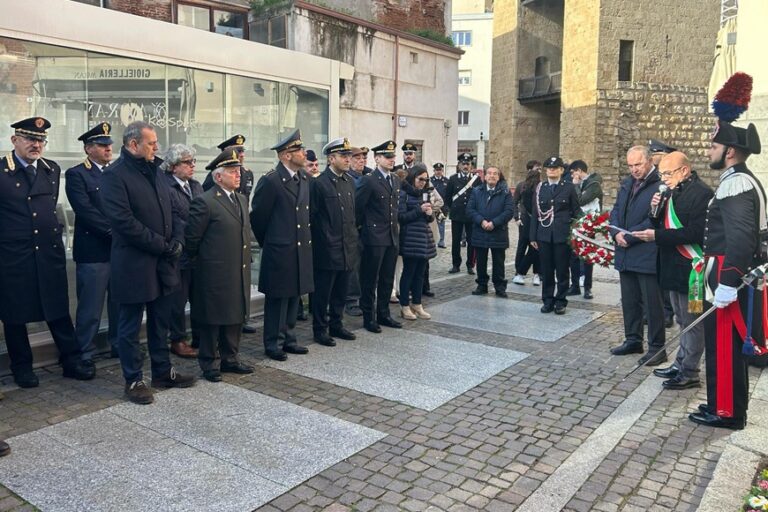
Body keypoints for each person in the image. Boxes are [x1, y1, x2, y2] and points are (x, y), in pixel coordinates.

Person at [101, 121, 196, 404]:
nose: (157, 147)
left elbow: (175, 209)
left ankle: (163, 371)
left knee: (160, 321)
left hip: (163, 262)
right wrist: (162, 245)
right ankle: (134, 380)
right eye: (152, 143)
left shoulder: (156, 170)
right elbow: (123, 222)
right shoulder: (114, 176)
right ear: (133, 145)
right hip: (134, 263)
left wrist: (177, 239)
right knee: (129, 326)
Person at [0, 117, 94, 389]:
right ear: (15, 140)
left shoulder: (51, 169)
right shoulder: (2, 171)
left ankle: (71, 360)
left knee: (57, 309)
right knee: (15, 314)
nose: (36, 144)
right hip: (14, 255)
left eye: (40, 140)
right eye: (30, 138)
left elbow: (49, 207)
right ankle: (22, 366)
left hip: (47, 253)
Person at [689, 93, 764, 430]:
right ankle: (721, 405)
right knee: (721, 345)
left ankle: (728, 412)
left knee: (725, 347)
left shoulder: (737, 183)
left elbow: (741, 239)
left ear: (729, 151)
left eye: (713, 147)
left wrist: (728, 283)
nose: (709, 152)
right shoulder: (738, 181)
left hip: (727, 273)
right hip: (722, 270)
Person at [632, 151, 713, 390]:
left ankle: (690, 371)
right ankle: (680, 363)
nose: (663, 178)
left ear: (684, 171)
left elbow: (696, 233)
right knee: (680, 318)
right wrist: (654, 210)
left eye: (667, 173)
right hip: (672, 267)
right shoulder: (670, 191)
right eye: (661, 174)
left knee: (692, 321)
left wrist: (656, 236)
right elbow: (660, 222)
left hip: (692, 269)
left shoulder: (702, 194)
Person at [185, 150, 253, 382]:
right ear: (218, 177)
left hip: (238, 269)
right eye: (233, 172)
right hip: (214, 272)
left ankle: (230, 359)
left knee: (234, 316)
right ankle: (209, 362)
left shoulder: (241, 199)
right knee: (212, 319)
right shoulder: (205, 201)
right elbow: (192, 240)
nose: (238, 176)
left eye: (239, 172)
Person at [250, 129, 314, 361]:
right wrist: (272, 242)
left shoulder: (303, 178)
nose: (303, 153)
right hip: (280, 250)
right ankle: (273, 342)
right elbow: (258, 218)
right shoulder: (272, 181)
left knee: (294, 295)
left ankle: (289, 338)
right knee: (278, 300)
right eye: (298, 150)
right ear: (285, 155)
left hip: (299, 250)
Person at [65, 122, 118, 367]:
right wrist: (115, 232)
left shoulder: (117, 172)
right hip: (94, 251)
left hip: (119, 251)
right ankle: (84, 352)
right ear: (88, 149)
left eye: (109, 144)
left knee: (119, 303)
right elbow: (85, 211)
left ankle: (119, 346)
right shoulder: (78, 174)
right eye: (101, 145)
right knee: (90, 309)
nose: (108, 149)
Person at [609, 146, 666, 365]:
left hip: (646, 253)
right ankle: (633, 339)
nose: (634, 169)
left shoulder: (660, 185)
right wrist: (615, 232)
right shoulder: (626, 183)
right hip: (625, 251)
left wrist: (629, 236)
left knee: (652, 304)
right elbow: (615, 211)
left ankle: (657, 347)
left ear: (649, 161)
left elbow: (655, 218)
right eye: (631, 165)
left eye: (638, 164)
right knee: (630, 300)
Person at [310, 138, 358, 346]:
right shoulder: (319, 184)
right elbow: (313, 217)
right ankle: (320, 329)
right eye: (344, 156)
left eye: (349, 156)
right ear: (331, 158)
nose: (348, 160)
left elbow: (353, 216)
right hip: (327, 249)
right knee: (323, 293)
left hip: (347, 246)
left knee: (341, 290)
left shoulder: (350, 182)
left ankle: (336, 325)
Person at [355, 140, 403, 333]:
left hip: (391, 237)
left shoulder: (395, 180)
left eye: (392, 157)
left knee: (386, 278)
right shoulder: (368, 180)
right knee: (369, 279)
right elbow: (357, 209)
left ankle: (383, 314)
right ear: (377, 159)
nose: (392, 160)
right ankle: (369, 317)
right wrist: (363, 231)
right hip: (373, 238)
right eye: (387, 157)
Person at [162, 143, 202, 358]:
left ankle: (199, 337)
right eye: (187, 162)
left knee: (199, 299)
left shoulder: (195, 186)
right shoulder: (166, 188)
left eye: (193, 162)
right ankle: (177, 340)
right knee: (177, 301)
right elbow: (172, 221)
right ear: (173, 166)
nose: (192, 166)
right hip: (178, 254)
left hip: (197, 253)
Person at [530, 157, 582, 314]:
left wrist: (580, 230)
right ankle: (547, 300)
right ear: (546, 170)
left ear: (561, 170)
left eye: (555, 168)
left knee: (562, 270)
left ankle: (560, 301)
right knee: (546, 270)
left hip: (562, 235)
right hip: (544, 235)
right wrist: (533, 236)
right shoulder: (541, 188)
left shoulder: (568, 188)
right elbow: (535, 213)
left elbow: (576, 211)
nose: (551, 170)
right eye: (549, 168)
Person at [467, 167, 515, 298]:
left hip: (498, 232)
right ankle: (482, 285)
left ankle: (499, 287)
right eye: (489, 173)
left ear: (499, 177)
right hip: (480, 231)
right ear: (485, 176)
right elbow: (470, 210)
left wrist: (494, 223)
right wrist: (482, 221)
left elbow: (509, 211)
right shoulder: (477, 191)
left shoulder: (505, 192)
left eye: (495, 174)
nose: (492, 176)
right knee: (481, 261)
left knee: (499, 262)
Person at [397, 165, 437, 320]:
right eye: (420, 179)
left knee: (421, 273)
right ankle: (405, 306)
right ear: (412, 177)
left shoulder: (424, 194)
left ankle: (417, 304)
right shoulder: (404, 194)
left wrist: (429, 214)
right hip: (410, 238)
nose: (423, 182)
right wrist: (419, 210)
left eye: (426, 180)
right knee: (409, 272)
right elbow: (401, 217)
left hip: (423, 238)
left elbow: (428, 218)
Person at [649, 139, 678, 328]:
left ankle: (668, 312)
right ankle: (657, 311)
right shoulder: (656, 180)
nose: (652, 158)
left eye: (655, 154)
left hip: (671, 236)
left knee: (668, 277)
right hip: (657, 235)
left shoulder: (672, 180)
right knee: (657, 276)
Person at [570, 160, 603, 299]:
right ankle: (575, 286)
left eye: (573, 172)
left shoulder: (594, 184)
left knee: (587, 257)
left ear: (579, 171)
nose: (572, 176)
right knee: (573, 257)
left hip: (588, 224)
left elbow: (580, 201)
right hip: (576, 223)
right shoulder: (580, 183)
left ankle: (587, 288)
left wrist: (576, 186)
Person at [446, 153, 481, 274]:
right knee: (456, 241)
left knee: (472, 241)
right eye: (463, 164)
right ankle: (456, 264)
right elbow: (448, 197)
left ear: (471, 165)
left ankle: (470, 265)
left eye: (468, 164)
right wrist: (452, 209)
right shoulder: (453, 178)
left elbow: (480, 197)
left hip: (471, 216)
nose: (466, 166)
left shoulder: (476, 180)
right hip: (457, 214)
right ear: (459, 165)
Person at [344, 146, 368, 317]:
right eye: (357, 158)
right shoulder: (348, 179)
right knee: (352, 267)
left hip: (367, 230)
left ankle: (361, 297)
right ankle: (351, 300)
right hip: (352, 229)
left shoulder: (366, 177)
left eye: (363, 158)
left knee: (362, 267)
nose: (361, 161)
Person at [512, 161, 542, 286]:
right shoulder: (522, 186)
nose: (539, 171)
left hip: (536, 221)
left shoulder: (541, 186)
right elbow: (514, 202)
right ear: (529, 170)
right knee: (524, 246)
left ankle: (533, 273)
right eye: (537, 169)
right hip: (526, 220)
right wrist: (516, 218)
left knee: (534, 247)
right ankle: (520, 272)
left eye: (540, 169)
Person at [202, 134, 255, 200]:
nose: (242, 155)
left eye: (243, 151)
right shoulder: (217, 174)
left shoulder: (248, 174)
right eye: (238, 151)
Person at [431, 163, 449, 248]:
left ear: (442, 171)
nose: (438, 172)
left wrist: (447, 206)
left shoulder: (446, 181)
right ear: (434, 171)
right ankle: (432, 241)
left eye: (440, 170)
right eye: (437, 170)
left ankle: (441, 241)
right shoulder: (430, 180)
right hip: (433, 206)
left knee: (441, 225)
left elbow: (449, 194)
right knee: (432, 224)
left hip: (442, 207)